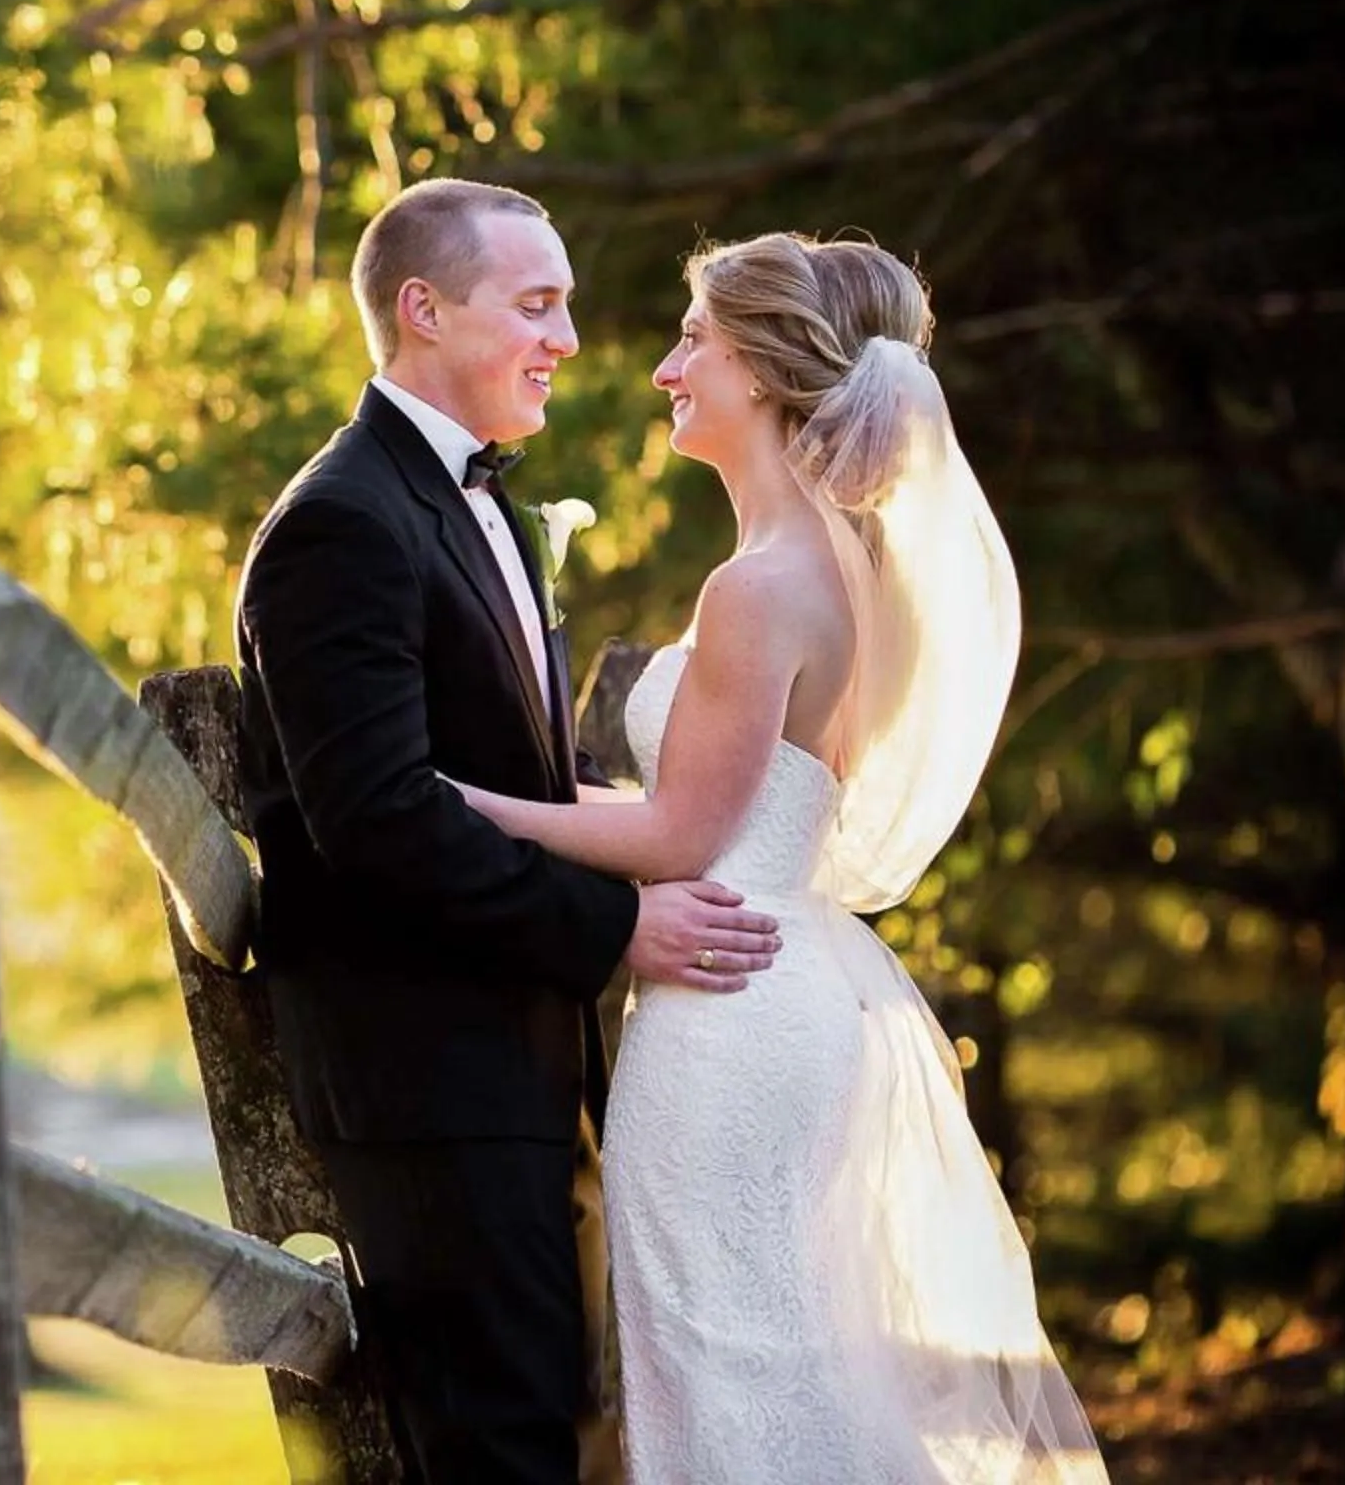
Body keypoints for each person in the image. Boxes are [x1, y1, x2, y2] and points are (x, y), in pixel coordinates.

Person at [451, 231, 1110, 1484]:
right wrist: (537, 791)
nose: (667, 369)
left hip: (726, 1010)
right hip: (781, 981)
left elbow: (680, 835)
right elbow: (728, 806)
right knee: (779, 1354)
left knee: (726, 1373)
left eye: (692, 337)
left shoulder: (758, 588)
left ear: (759, 367)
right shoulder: (847, 569)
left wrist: (460, 801)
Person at [235, 178, 783, 1484]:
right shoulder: (340, 524)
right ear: (424, 310)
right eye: (537, 305)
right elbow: (378, 821)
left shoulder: (468, 505)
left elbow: (514, 776)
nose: (569, 340)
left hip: (512, 1070)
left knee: (556, 1434)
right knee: (503, 1452)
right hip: (429, 1080)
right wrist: (620, 925)